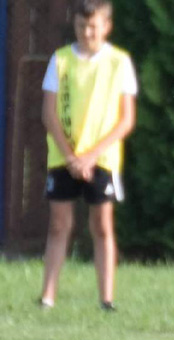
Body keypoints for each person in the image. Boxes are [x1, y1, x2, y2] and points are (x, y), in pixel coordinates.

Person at [38, 0, 137, 311]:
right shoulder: (60, 60)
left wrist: (91, 156)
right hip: (64, 157)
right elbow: (49, 114)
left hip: (102, 159)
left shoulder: (119, 62)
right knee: (58, 224)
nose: (87, 33)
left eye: (93, 27)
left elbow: (126, 120)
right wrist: (72, 157)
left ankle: (106, 300)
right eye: (82, 26)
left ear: (106, 27)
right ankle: (47, 297)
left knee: (102, 225)